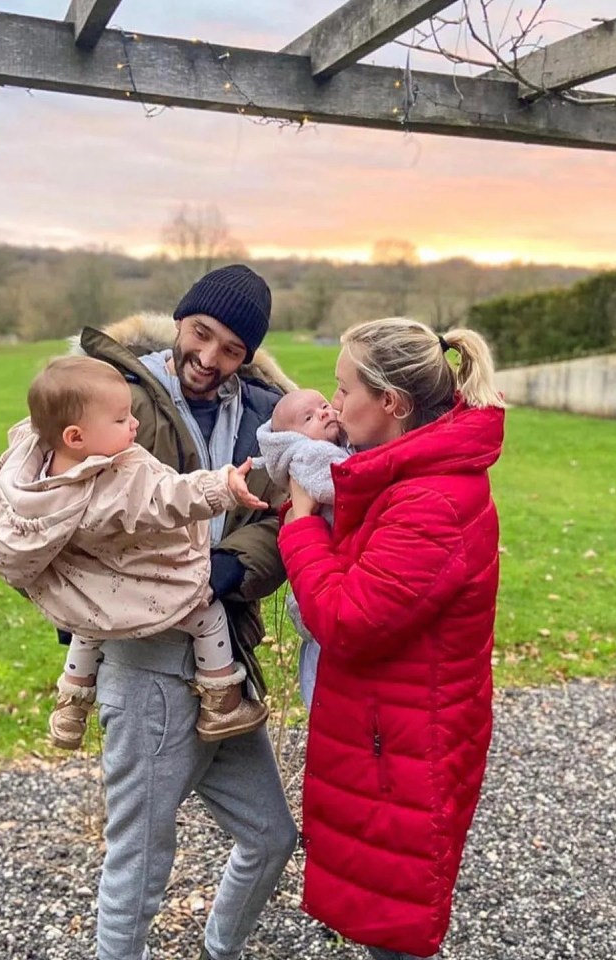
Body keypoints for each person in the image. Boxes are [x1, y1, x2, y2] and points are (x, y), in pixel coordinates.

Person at [70, 265, 298, 960]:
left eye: (232, 348)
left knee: (271, 836)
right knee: (138, 864)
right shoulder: (114, 392)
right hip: (145, 659)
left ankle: (219, 950)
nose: (210, 359)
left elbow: (282, 510)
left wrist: (230, 569)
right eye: (202, 334)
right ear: (180, 320)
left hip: (223, 653)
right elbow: (60, 503)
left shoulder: (262, 413)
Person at [278, 318, 506, 960]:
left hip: (403, 748)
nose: (335, 402)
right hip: (393, 732)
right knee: (382, 907)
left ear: (393, 404)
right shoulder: (405, 474)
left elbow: (347, 620)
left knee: (394, 923)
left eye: (345, 388)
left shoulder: (430, 502)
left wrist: (300, 524)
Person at [0, 355, 271, 748]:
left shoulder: (32, 477)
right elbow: (168, 497)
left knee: (88, 626)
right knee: (206, 613)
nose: (133, 424)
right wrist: (222, 487)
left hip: (86, 591)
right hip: (140, 582)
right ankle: (222, 703)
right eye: (120, 420)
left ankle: (70, 707)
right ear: (75, 437)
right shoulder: (113, 483)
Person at [253, 388, 351, 708]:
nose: (324, 413)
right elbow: (343, 483)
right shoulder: (308, 455)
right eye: (309, 418)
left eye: (324, 406)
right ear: (288, 439)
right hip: (322, 567)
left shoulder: (330, 446)